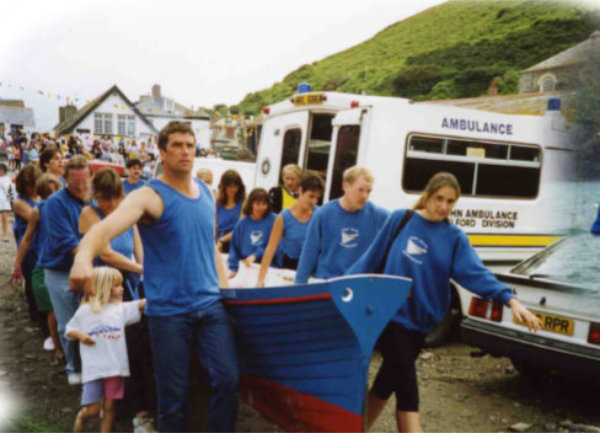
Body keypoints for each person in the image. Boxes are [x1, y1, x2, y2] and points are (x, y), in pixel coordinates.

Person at [70, 121, 238, 432]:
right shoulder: (149, 196)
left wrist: (225, 290)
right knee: (173, 398)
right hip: (169, 313)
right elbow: (105, 229)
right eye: (176, 145)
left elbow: (210, 245)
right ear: (161, 151)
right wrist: (82, 257)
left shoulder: (204, 191)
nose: (185, 151)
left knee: (228, 379)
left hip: (210, 306)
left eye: (190, 144)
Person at [347, 172, 542, 433]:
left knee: (386, 383)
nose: (443, 206)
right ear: (427, 196)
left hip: (421, 324)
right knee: (408, 393)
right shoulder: (401, 220)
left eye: (450, 202)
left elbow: (476, 274)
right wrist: (338, 289)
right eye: (439, 198)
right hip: (391, 317)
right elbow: (370, 259)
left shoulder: (454, 238)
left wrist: (511, 300)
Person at [66, 266, 146, 433]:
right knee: (93, 410)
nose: (122, 288)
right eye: (117, 285)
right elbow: (69, 330)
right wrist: (81, 335)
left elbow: (142, 304)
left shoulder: (120, 309)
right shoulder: (85, 311)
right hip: (94, 368)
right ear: (105, 288)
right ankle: (81, 418)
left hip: (115, 367)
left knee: (110, 406)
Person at [41, 155, 93, 385]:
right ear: (64, 179)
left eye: (85, 181)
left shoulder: (94, 200)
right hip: (61, 271)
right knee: (69, 323)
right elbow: (68, 243)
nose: (81, 187)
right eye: (75, 183)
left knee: (93, 320)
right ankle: (73, 366)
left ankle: (93, 366)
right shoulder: (54, 203)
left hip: (91, 267)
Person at [295, 166, 389, 284]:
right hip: (326, 284)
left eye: (368, 191)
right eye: (360, 190)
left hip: (360, 285)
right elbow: (308, 254)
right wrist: (299, 285)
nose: (364, 196)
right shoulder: (323, 214)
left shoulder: (380, 217)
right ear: (346, 186)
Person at [13, 174, 64, 359]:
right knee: (52, 309)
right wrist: (17, 265)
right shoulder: (38, 211)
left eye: (56, 191)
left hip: (66, 263)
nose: (53, 196)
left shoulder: (69, 207)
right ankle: (57, 347)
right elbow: (26, 238)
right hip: (46, 262)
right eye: (48, 193)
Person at [257, 174, 324, 287]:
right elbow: (270, 249)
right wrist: (260, 279)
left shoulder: (319, 214)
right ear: (300, 191)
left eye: (317, 198)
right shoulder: (284, 217)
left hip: (313, 265)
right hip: (290, 265)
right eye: (311, 196)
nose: (314, 201)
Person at [13, 164, 43, 328]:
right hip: (29, 247)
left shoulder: (40, 198)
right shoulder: (19, 202)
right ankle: (35, 314)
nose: (32, 189)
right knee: (32, 280)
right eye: (29, 186)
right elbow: (36, 217)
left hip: (42, 245)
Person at [228, 188, 277, 278]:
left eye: (264, 204)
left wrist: (256, 255)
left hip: (268, 266)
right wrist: (233, 268)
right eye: (258, 204)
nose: (261, 207)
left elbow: (276, 245)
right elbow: (234, 248)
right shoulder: (242, 223)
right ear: (251, 204)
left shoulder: (274, 220)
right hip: (246, 266)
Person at [216, 169, 246, 253]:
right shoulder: (217, 201)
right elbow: (213, 225)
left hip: (234, 240)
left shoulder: (243, 201)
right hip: (218, 239)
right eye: (229, 186)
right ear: (223, 187)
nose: (233, 189)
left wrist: (222, 240)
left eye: (235, 186)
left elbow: (241, 228)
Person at [0, 163, 13, 241]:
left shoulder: (7, 179)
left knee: (4, 218)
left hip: (4, 201)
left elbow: (10, 190)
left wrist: (11, 200)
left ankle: (5, 235)